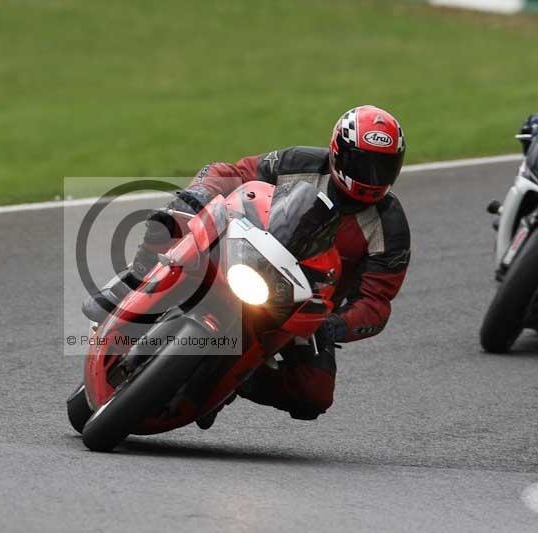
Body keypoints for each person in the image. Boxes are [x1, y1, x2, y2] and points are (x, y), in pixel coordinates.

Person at [83, 105, 411, 426]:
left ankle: (241, 378)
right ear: (338, 151)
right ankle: (132, 279)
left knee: (314, 395)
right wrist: (200, 192)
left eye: (383, 167)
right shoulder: (301, 162)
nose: (372, 176)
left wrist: (335, 325)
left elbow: (375, 303)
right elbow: (238, 173)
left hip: (303, 306)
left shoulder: (390, 226)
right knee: (170, 221)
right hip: (244, 252)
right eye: (363, 163)